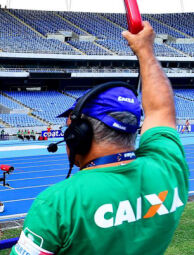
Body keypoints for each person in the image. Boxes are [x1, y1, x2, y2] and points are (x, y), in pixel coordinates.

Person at [11, 22, 189, 255]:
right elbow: (161, 109)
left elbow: (160, 110)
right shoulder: (168, 168)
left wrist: (144, 50)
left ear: (79, 136)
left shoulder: (58, 203)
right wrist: (146, 51)